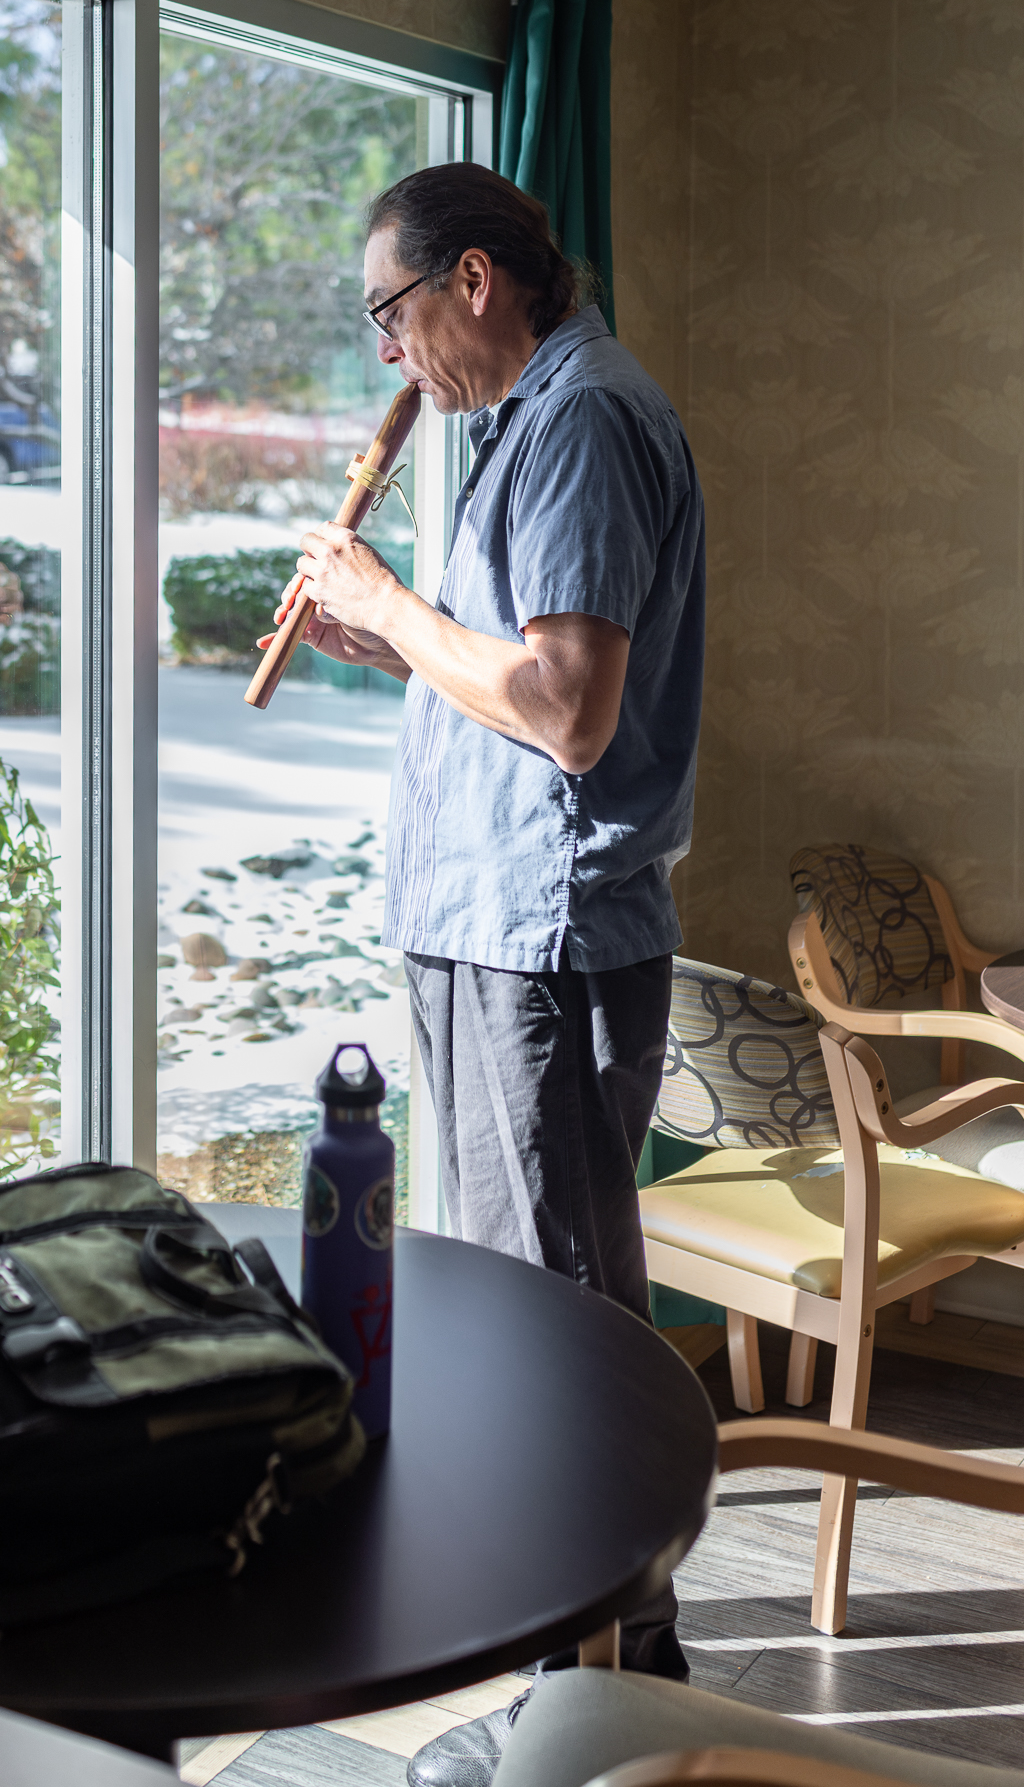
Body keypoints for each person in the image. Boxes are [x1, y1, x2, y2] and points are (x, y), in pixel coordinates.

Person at [263, 164, 705, 1787]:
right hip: (487, 915)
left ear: (468, 282)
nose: (389, 364)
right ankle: (610, 1672)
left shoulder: (580, 417)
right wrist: (380, 637)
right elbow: (504, 677)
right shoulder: (529, 418)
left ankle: (600, 1682)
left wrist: (386, 591)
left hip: (541, 930)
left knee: (552, 1317)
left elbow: (568, 712)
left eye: (388, 319)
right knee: (549, 1295)